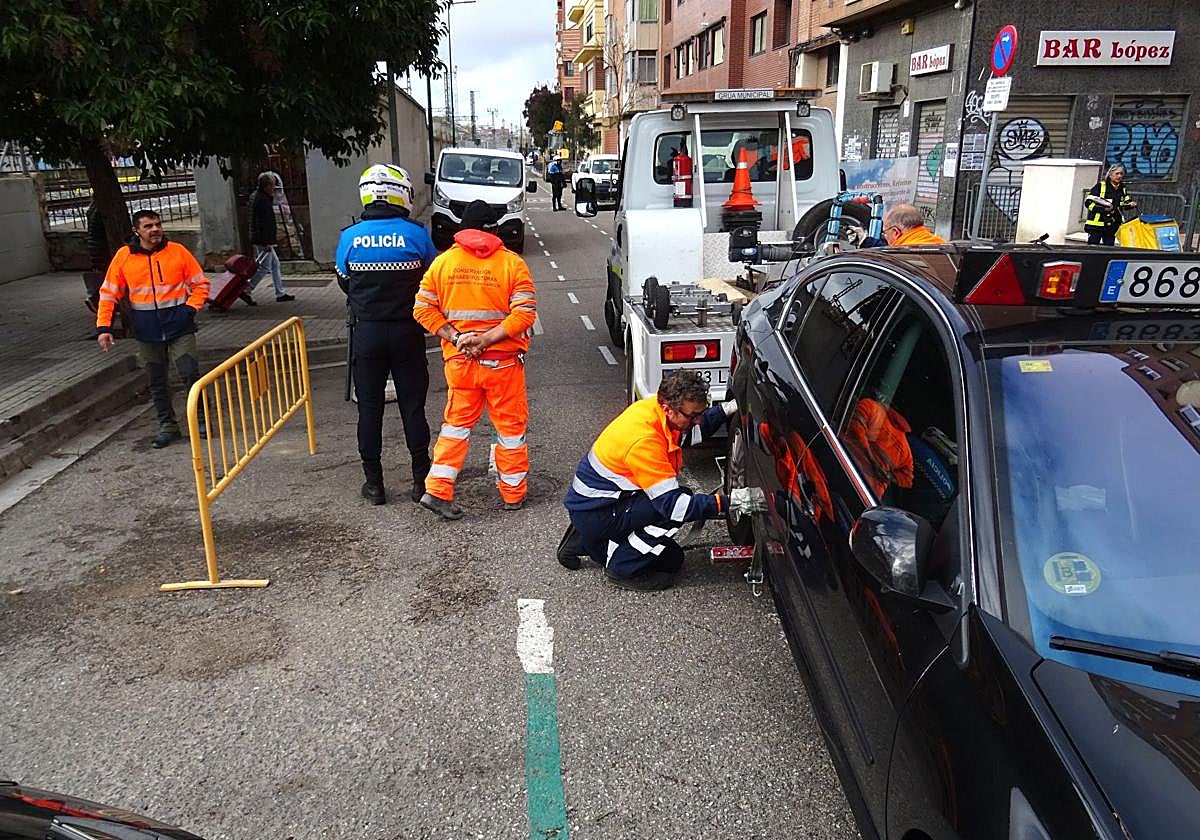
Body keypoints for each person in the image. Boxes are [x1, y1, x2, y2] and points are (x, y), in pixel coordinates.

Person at [558, 371, 766, 592]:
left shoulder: (654, 411)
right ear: (669, 409)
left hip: (592, 504)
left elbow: (690, 433)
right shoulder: (645, 442)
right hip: (597, 513)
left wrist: (726, 409)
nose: (698, 420)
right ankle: (622, 567)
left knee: (672, 558)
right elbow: (676, 507)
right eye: (693, 415)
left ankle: (582, 541)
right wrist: (732, 501)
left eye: (701, 413)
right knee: (674, 510)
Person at [413, 199, 538, 520]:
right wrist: (487, 339)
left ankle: (438, 489)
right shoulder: (512, 264)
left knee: (455, 426)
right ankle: (513, 493)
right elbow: (524, 314)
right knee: (510, 429)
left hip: (461, 364)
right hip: (503, 365)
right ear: (494, 230)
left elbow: (421, 309)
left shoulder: (442, 264)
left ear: (460, 229)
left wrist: (458, 338)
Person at [335, 164, 438, 505]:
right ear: (401, 194)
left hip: (367, 334)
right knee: (413, 408)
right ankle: (421, 480)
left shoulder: (349, 237)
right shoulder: (417, 235)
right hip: (408, 333)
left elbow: (344, 283)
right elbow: (430, 280)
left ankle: (374, 484)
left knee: (370, 409)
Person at [95, 210, 209, 449]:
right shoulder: (124, 257)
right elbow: (108, 293)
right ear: (137, 231)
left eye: (157, 224)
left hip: (180, 326)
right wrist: (104, 327)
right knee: (156, 380)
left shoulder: (177, 251)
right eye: (148, 226)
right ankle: (168, 426)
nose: (155, 229)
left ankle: (200, 420)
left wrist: (190, 309)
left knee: (189, 373)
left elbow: (201, 284)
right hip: (147, 330)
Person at [244, 172, 294, 305]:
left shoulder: (257, 197)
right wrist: (268, 242)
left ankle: (280, 292)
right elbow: (264, 223)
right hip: (263, 240)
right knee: (265, 267)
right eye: (272, 185)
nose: (273, 188)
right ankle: (247, 289)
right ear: (266, 186)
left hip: (259, 238)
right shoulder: (263, 200)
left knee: (275, 264)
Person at [1084, 163, 1137, 246]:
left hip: (1111, 226)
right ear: (1110, 175)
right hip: (1095, 226)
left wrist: (1131, 204)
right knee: (1092, 250)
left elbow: (1124, 204)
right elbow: (1088, 203)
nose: (1119, 176)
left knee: (1108, 250)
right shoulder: (1100, 186)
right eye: (1117, 173)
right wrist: (1103, 210)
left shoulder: (1122, 188)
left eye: (1121, 174)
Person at [882, 203, 948, 246]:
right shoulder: (942, 244)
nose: (884, 237)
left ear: (895, 232)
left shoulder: (900, 256)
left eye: (885, 232)